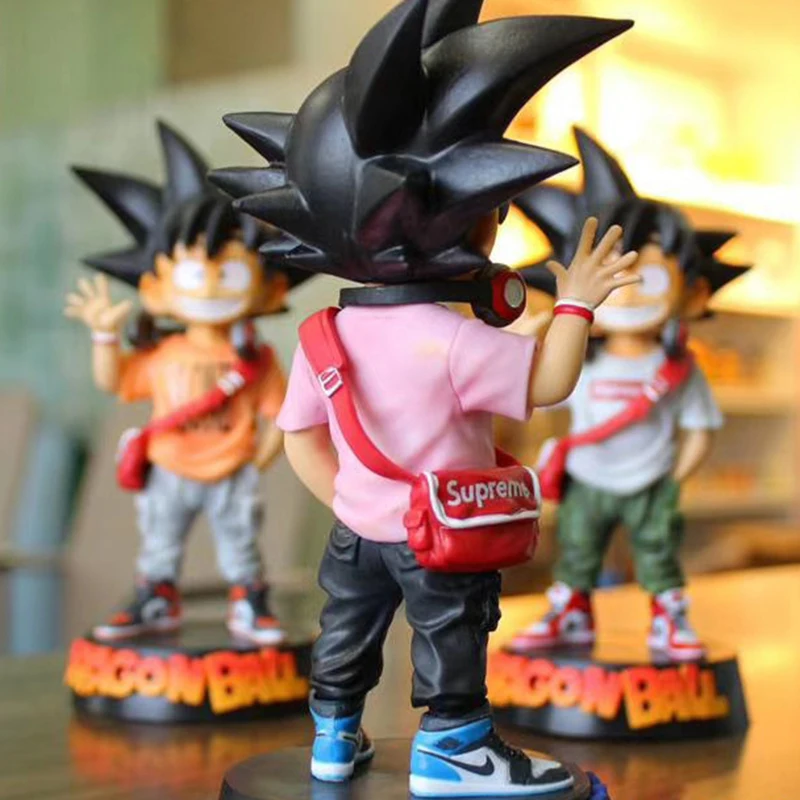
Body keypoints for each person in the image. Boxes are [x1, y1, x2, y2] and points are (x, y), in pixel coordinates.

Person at [213, 1, 635, 795]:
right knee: (450, 633)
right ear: (466, 223)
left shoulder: (323, 336)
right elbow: (549, 383)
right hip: (436, 531)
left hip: (355, 531)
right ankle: (454, 751)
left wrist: (355, 501)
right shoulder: (453, 340)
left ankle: (333, 738)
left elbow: (300, 436)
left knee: (347, 628)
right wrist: (577, 305)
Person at [65, 122, 310, 645]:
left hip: (231, 469)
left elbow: (281, 416)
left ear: (270, 289)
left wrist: (259, 459)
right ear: (154, 287)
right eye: (196, 273)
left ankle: (249, 601)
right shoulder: (164, 352)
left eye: (232, 272)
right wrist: (104, 337)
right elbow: (116, 380)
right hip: (170, 466)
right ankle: (156, 596)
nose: (214, 285)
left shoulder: (256, 360)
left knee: (240, 543)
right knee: (161, 540)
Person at [510, 128, 749, 662]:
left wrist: (673, 477)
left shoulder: (679, 370)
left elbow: (699, 430)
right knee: (577, 550)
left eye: (649, 278)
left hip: (650, 482)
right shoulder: (582, 360)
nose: (631, 292)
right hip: (588, 480)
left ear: (693, 291)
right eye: (615, 276)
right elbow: (540, 395)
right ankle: (571, 611)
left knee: (658, 554)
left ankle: (668, 617)